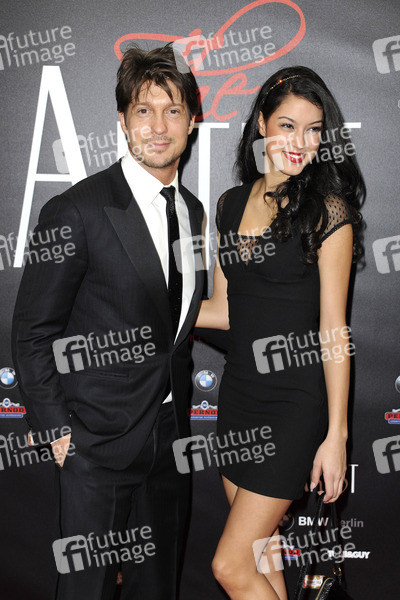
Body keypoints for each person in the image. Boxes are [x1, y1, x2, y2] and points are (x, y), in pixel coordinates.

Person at [12, 44, 204, 600]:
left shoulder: (191, 210)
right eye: (144, 110)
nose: (159, 127)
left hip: (170, 440)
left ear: (192, 122)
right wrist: (58, 432)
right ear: (122, 120)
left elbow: (176, 321)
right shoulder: (76, 210)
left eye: (173, 111)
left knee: (158, 587)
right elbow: (32, 332)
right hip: (95, 444)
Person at [195, 66, 364, 599]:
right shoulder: (228, 204)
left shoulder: (328, 212)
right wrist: (149, 304)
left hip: (294, 406)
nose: (299, 142)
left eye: (313, 130)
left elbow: (333, 330)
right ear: (262, 124)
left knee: (230, 566)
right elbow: (222, 310)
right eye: (288, 125)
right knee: (263, 558)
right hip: (239, 399)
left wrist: (336, 436)